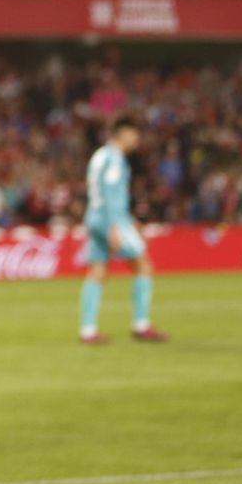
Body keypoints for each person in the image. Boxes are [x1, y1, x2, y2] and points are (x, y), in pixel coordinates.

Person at [79, 115, 167, 345]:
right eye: (135, 133)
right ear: (123, 132)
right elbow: (110, 192)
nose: (137, 139)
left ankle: (88, 330)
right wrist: (115, 226)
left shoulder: (99, 155)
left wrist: (126, 220)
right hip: (110, 219)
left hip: (94, 216)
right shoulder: (115, 159)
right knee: (143, 264)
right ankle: (141, 324)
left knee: (98, 269)